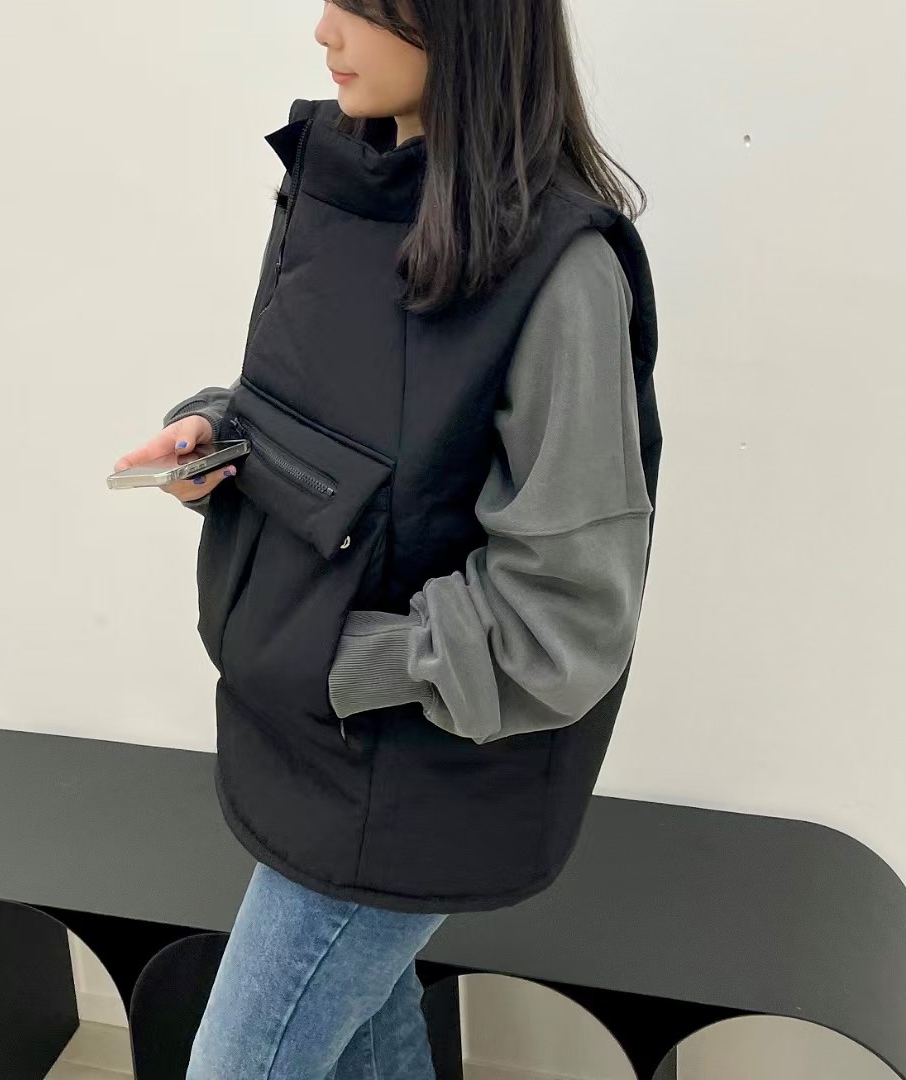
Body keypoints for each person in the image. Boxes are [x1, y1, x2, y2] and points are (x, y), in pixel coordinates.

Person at [114, 0, 662, 1075]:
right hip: (299, 733)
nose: (324, 31)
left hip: (414, 770)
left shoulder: (562, 274)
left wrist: (341, 662)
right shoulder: (337, 181)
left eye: (363, 6)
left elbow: (566, 618)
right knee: (369, 1046)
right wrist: (218, 436)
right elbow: (323, 413)